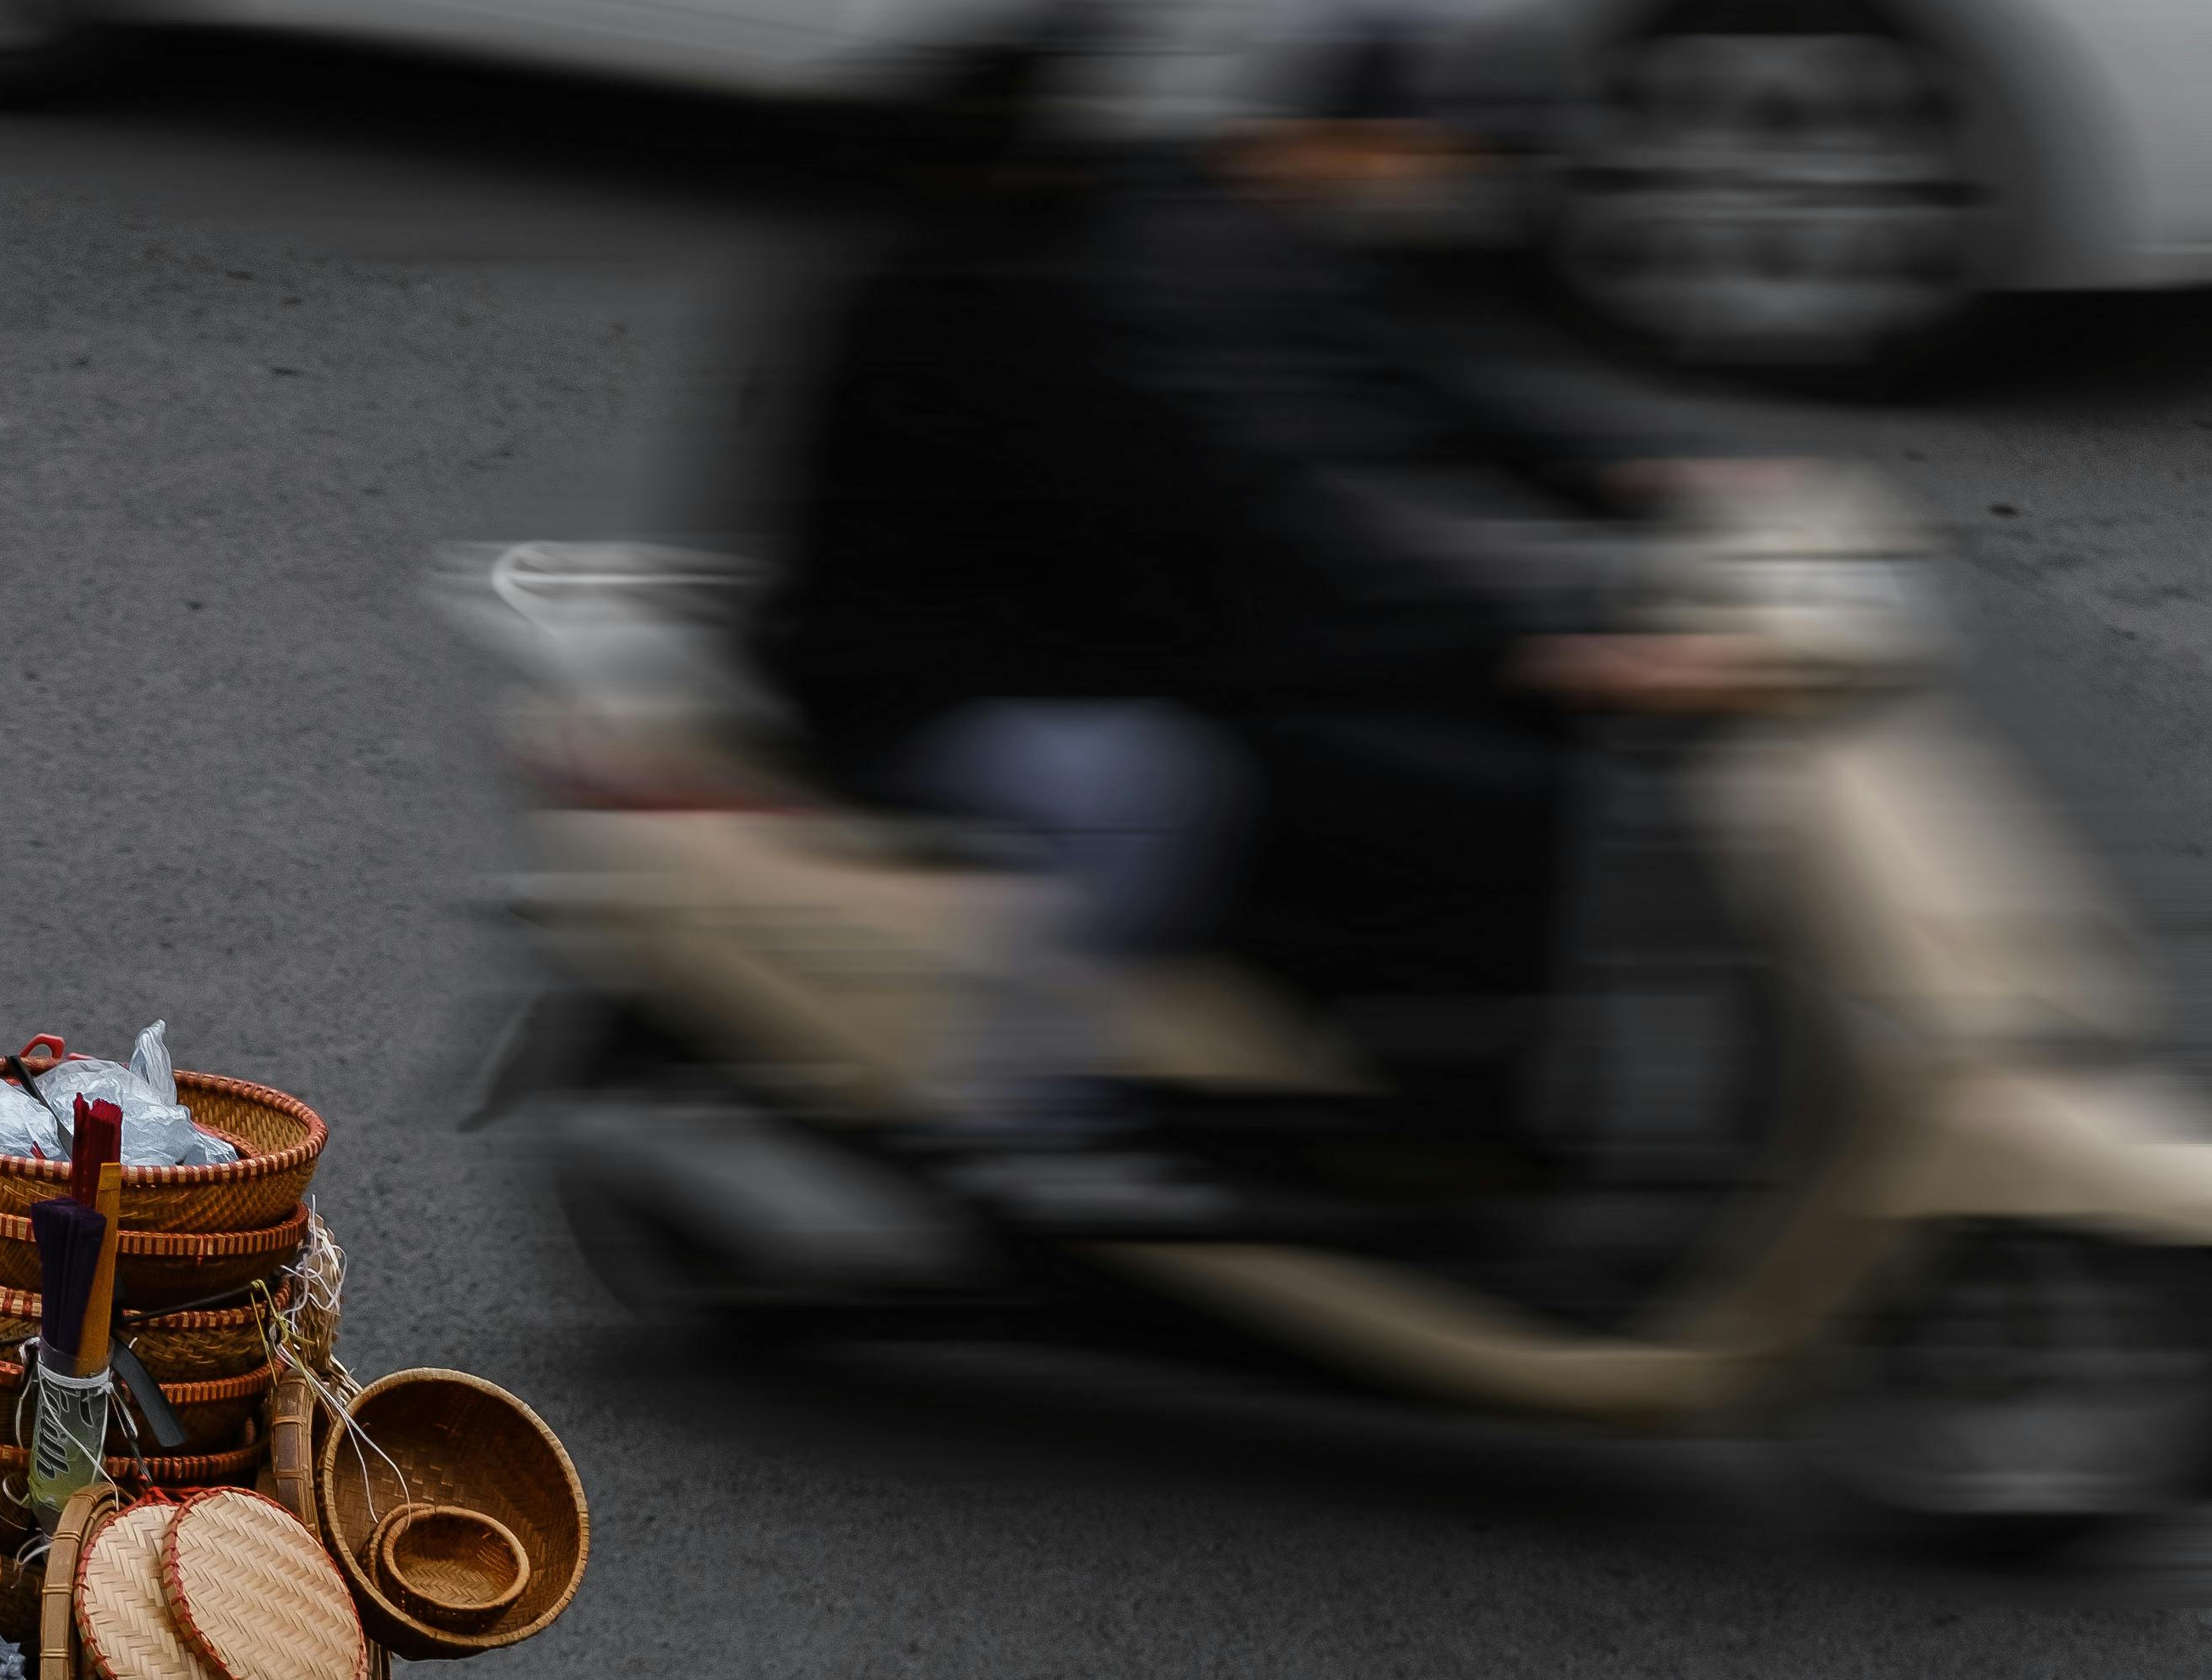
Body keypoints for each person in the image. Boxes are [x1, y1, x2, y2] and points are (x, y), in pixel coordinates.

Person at [750, 2, 1785, 1209]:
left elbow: (1413, 409)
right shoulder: (1039, 299)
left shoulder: (1169, 257)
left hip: (1117, 633)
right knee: (1139, 789)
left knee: (1483, 773)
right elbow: (1241, 513)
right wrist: (1524, 639)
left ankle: (1393, 1103)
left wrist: (1631, 497)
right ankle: (1025, 1126)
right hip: (947, 679)